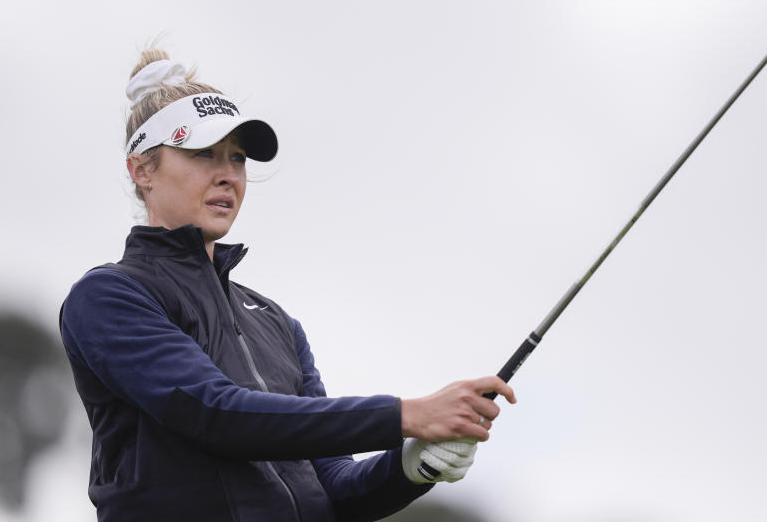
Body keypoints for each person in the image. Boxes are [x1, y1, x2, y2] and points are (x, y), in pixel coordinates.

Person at [59, 49, 515, 522]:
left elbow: (332, 488)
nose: (227, 175)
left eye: (236, 158)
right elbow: (217, 415)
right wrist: (404, 415)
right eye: (202, 155)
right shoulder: (108, 297)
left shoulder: (277, 323)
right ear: (142, 170)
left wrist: (409, 467)